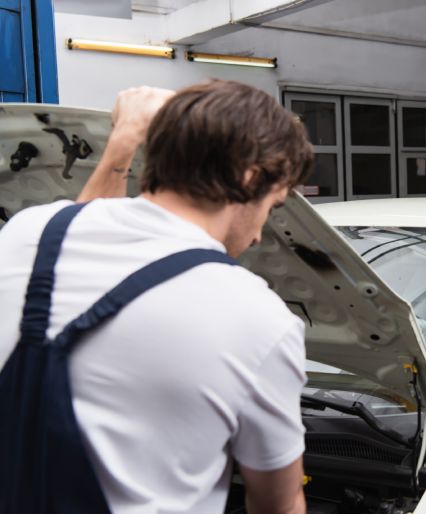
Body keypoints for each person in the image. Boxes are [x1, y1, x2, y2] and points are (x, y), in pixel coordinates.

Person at [0, 80, 314, 513]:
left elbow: (86, 232)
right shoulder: (258, 317)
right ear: (250, 176)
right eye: (272, 206)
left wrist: (124, 138)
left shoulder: (25, 233)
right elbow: (277, 504)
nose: (261, 234)